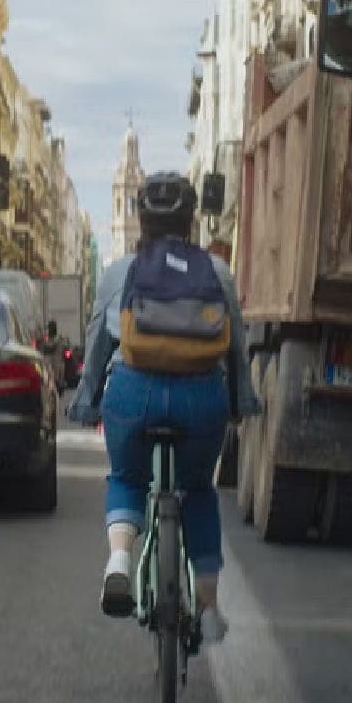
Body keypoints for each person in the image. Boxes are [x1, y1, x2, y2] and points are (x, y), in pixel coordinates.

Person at [67, 172, 261, 644]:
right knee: (198, 492)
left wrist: (87, 401)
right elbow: (235, 346)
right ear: (191, 220)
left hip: (134, 393)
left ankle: (119, 560)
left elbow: (98, 343)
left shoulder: (119, 271)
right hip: (201, 397)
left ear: (141, 219)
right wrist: (239, 402)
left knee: (127, 478)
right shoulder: (216, 271)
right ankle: (209, 608)